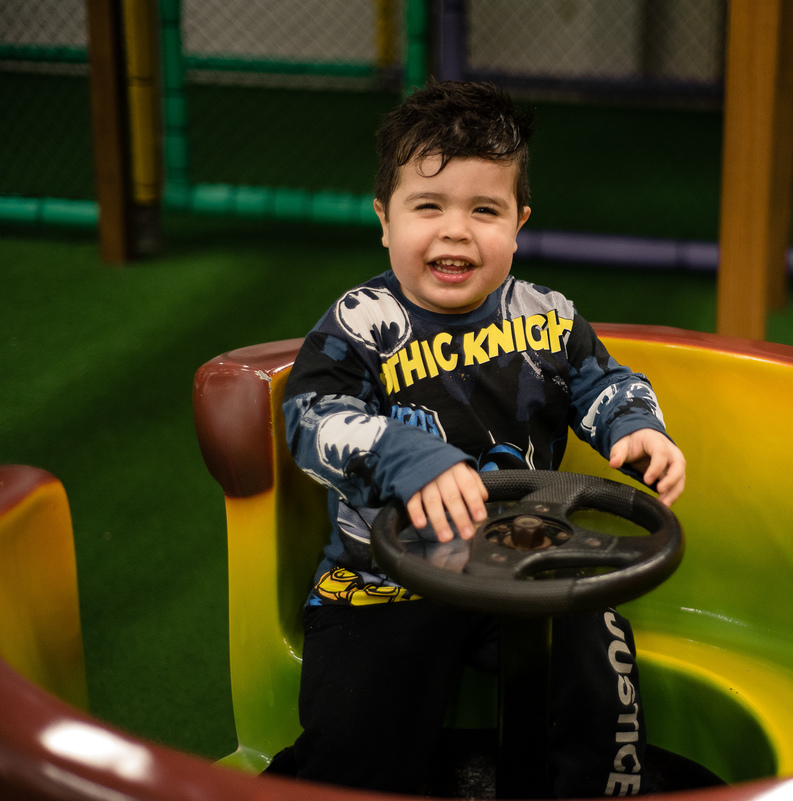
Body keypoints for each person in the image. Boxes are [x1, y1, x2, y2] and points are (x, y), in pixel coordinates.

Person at [267, 80, 686, 797]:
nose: (456, 230)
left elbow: (602, 381)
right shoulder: (362, 323)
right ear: (384, 220)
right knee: (355, 733)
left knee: (600, 658)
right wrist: (407, 456)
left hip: (520, 570)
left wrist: (636, 426)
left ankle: (593, 787)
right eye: (427, 206)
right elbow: (311, 417)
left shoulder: (547, 316)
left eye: (484, 210)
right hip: (385, 586)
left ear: (519, 223)